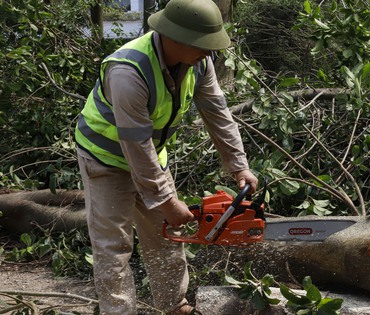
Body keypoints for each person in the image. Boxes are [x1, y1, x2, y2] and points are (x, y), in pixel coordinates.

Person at [74, 0, 258, 314]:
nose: (209, 52)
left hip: (151, 160)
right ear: (175, 37)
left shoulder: (200, 62)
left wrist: (238, 165)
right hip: (105, 161)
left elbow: (217, 113)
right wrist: (167, 201)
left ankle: (175, 306)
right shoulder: (127, 71)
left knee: (169, 238)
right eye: (203, 44)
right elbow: (136, 144)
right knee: (113, 248)